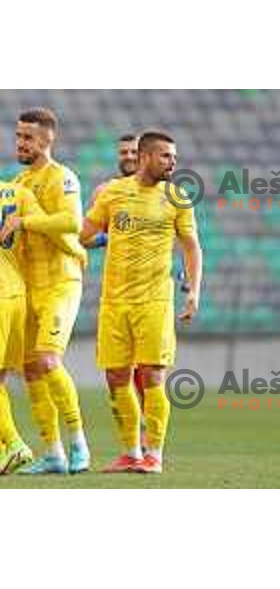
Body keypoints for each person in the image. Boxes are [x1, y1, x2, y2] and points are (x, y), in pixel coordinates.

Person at [0, 132, 82, 474]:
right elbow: (55, 227)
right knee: (0, 376)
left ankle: (14, 445)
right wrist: (78, 250)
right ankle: (1, 456)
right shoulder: (19, 191)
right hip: (18, 296)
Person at [80, 130, 202, 474]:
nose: (173, 162)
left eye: (174, 157)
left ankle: (155, 454)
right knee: (116, 376)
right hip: (114, 301)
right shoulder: (113, 193)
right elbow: (84, 235)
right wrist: (97, 229)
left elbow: (192, 246)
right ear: (145, 157)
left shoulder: (177, 197)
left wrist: (193, 290)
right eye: (166, 156)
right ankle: (131, 452)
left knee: (152, 375)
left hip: (155, 300)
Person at [6, 108, 90, 474]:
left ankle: (79, 443)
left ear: (47, 140)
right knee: (30, 369)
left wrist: (25, 221)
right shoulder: (18, 182)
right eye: (19, 136)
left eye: (28, 137)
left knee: (48, 360)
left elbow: (72, 221)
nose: (21, 143)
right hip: (28, 286)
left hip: (60, 281)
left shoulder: (63, 177)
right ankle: (53, 453)